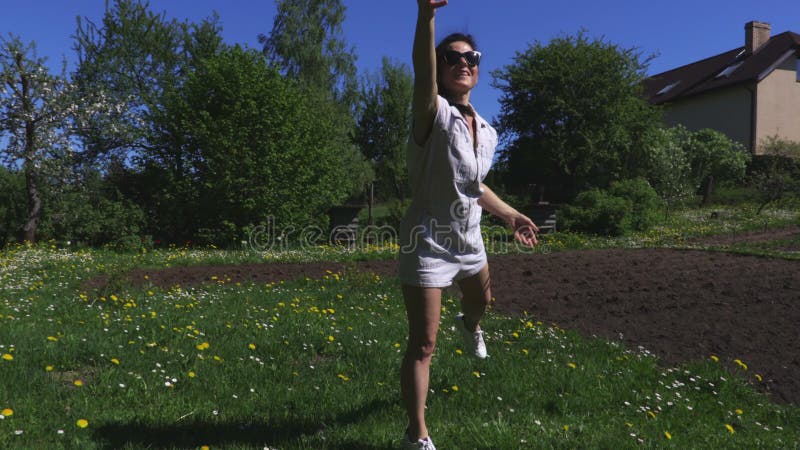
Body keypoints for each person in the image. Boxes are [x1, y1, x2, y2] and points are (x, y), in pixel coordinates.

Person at [398, 1, 539, 448]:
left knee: (482, 301)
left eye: (470, 58)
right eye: (452, 57)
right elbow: (422, 76)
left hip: (470, 239)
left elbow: (474, 185)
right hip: (427, 243)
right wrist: (426, 16)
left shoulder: (489, 131)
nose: (463, 62)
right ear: (441, 68)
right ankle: (417, 435)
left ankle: (472, 326)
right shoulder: (432, 113)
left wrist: (510, 213)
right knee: (423, 344)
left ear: (478, 71)